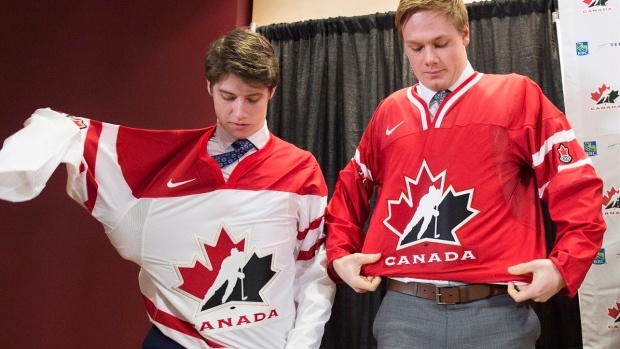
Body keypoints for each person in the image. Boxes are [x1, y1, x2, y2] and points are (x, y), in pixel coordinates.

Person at [0, 28, 335, 349]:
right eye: (228, 97)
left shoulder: (300, 170)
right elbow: (71, 133)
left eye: (253, 98)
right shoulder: (168, 162)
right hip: (174, 339)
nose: (239, 112)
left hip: (265, 340)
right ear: (209, 87)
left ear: (272, 91)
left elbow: (313, 272)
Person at [325, 0, 606, 348]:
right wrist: (339, 254)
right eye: (416, 47)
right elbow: (350, 187)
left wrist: (565, 266)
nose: (428, 58)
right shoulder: (390, 112)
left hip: (496, 309)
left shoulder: (516, 96)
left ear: (465, 33)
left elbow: (576, 186)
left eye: (440, 44)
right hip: (405, 311)